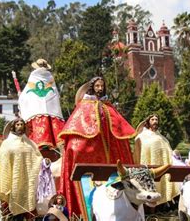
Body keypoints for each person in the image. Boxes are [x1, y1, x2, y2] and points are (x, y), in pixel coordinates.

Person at [58, 77, 136, 218]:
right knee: (75, 149)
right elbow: (77, 125)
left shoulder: (108, 105)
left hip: (109, 150)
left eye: (102, 86)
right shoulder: (84, 105)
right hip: (91, 147)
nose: (100, 88)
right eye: (97, 86)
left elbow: (118, 126)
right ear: (92, 87)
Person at [0, 118, 43, 220]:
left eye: (22, 124)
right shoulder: (6, 143)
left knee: (29, 205)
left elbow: (38, 158)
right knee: (14, 209)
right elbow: (2, 164)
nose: (20, 126)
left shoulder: (30, 143)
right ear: (13, 127)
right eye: (17, 125)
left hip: (28, 181)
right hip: (13, 180)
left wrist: (44, 163)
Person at [133, 114, 179, 206]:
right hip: (148, 167)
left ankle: (162, 205)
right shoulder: (142, 136)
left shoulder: (161, 137)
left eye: (156, 119)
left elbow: (167, 149)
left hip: (163, 166)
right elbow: (139, 152)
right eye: (152, 119)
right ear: (148, 122)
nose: (155, 121)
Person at [18, 58, 65, 148]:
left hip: (35, 113)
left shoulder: (33, 76)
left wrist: (20, 96)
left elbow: (26, 95)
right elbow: (54, 94)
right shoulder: (49, 77)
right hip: (51, 113)